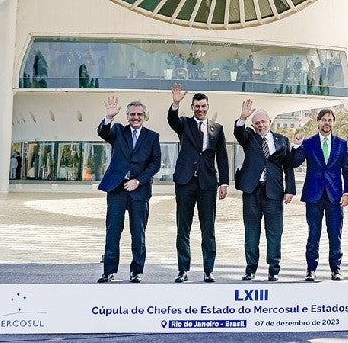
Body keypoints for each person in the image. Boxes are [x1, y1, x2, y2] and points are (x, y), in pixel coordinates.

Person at [168, 83, 229, 283]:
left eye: (203, 106)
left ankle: (208, 270)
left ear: (208, 107)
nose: (200, 109)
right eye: (197, 106)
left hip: (207, 184)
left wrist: (224, 183)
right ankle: (183, 269)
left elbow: (222, 157)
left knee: (208, 228)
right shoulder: (184, 124)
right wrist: (176, 103)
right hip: (185, 182)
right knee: (183, 227)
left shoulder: (217, 129)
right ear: (192, 107)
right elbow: (172, 120)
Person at [96, 97, 161, 283]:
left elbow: (155, 164)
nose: (136, 117)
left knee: (138, 232)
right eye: (132, 114)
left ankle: (136, 271)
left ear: (144, 116)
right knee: (113, 231)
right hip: (117, 189)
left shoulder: (152, 136)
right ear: (126, 116)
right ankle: (108, 271)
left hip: (139, 191)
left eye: (139, 114)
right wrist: (108, 117)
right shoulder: (117, 131)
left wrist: (138, 181)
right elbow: (103, 132)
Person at [233, 99, 295, 282]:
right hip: (252, 191)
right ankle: (250, 268)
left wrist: (289, 189)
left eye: (263, 122)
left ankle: (273, 268)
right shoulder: (249, 138)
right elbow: (238, 132)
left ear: (270, 122)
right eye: (257, 123)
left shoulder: (282, 140)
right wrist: (242, 116)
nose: (260, 125)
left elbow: (288, 166)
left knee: (274, 232)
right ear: (253, 125)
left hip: (274, 193)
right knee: (251, 232)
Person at [291, 108, 348, 282]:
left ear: (333, 122)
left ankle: (336, 269)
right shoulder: (308, 143)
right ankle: (311, 269)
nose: (327, 123)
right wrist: (296, 145)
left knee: (335, 234)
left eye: (330, 120)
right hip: (313, 195)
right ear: (318, 122)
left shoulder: (341, 143)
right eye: (324, 120)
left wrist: (347, 192)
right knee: (313, 234)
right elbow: (295, 163)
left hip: (335, 196)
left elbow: (347, 171)